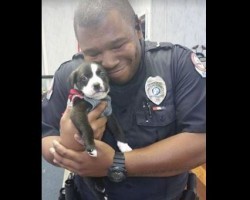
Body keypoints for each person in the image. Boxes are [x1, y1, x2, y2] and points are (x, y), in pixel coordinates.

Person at [42, 0, 206, 199]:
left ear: (138, 28)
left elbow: (200, 142)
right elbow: (46, 137)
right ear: (80, 47)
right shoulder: (70, 75)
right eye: (93, 53)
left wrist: (116, 163)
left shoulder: (177, 65)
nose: (109, 62)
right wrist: (68, 144)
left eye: (118, 45)